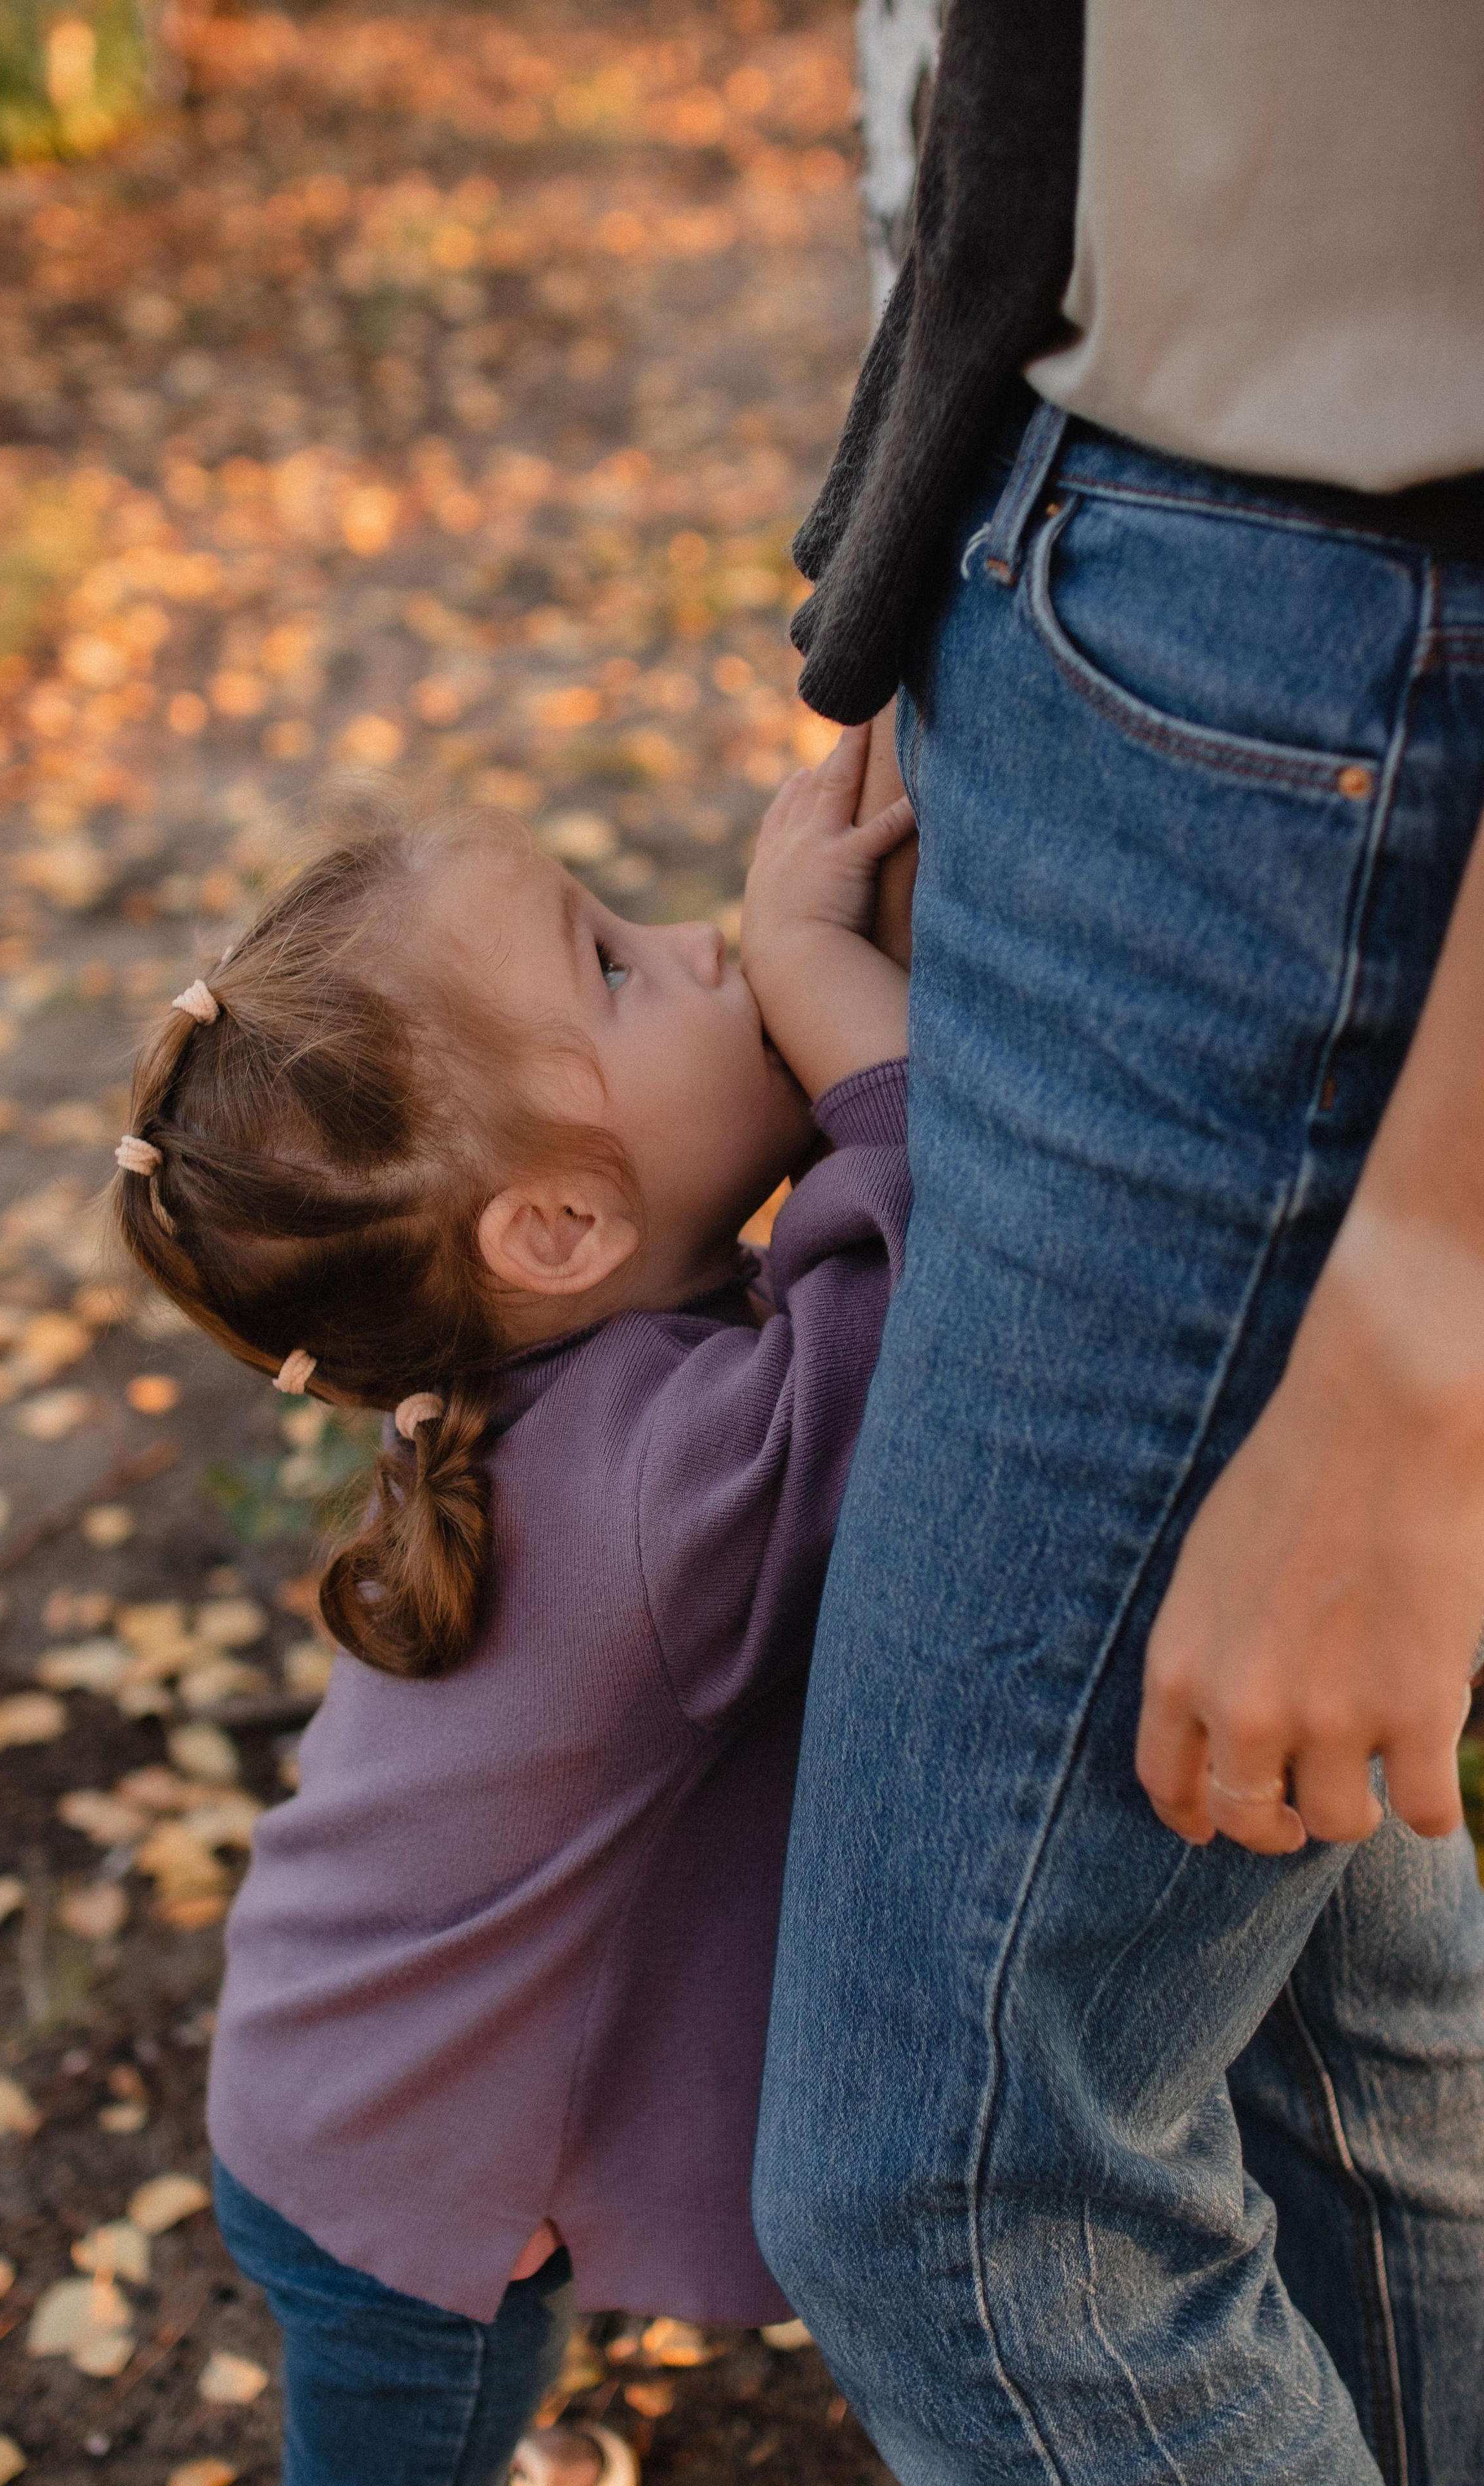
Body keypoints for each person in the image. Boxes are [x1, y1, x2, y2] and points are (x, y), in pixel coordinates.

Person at [753, 2, 1484, 2481]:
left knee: (966, 2194)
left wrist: (1423, 1335)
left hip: (1305, 707)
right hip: (1134, 601)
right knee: (1327, 2035)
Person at [107, 733, 916, 2486]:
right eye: (616, 965)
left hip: (343, 2083)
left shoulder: (585, 1421)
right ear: (555, 1227)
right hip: (395, 2183)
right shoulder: (653, 1500)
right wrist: (861, 1037)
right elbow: (918, 1318)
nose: (702, 940)